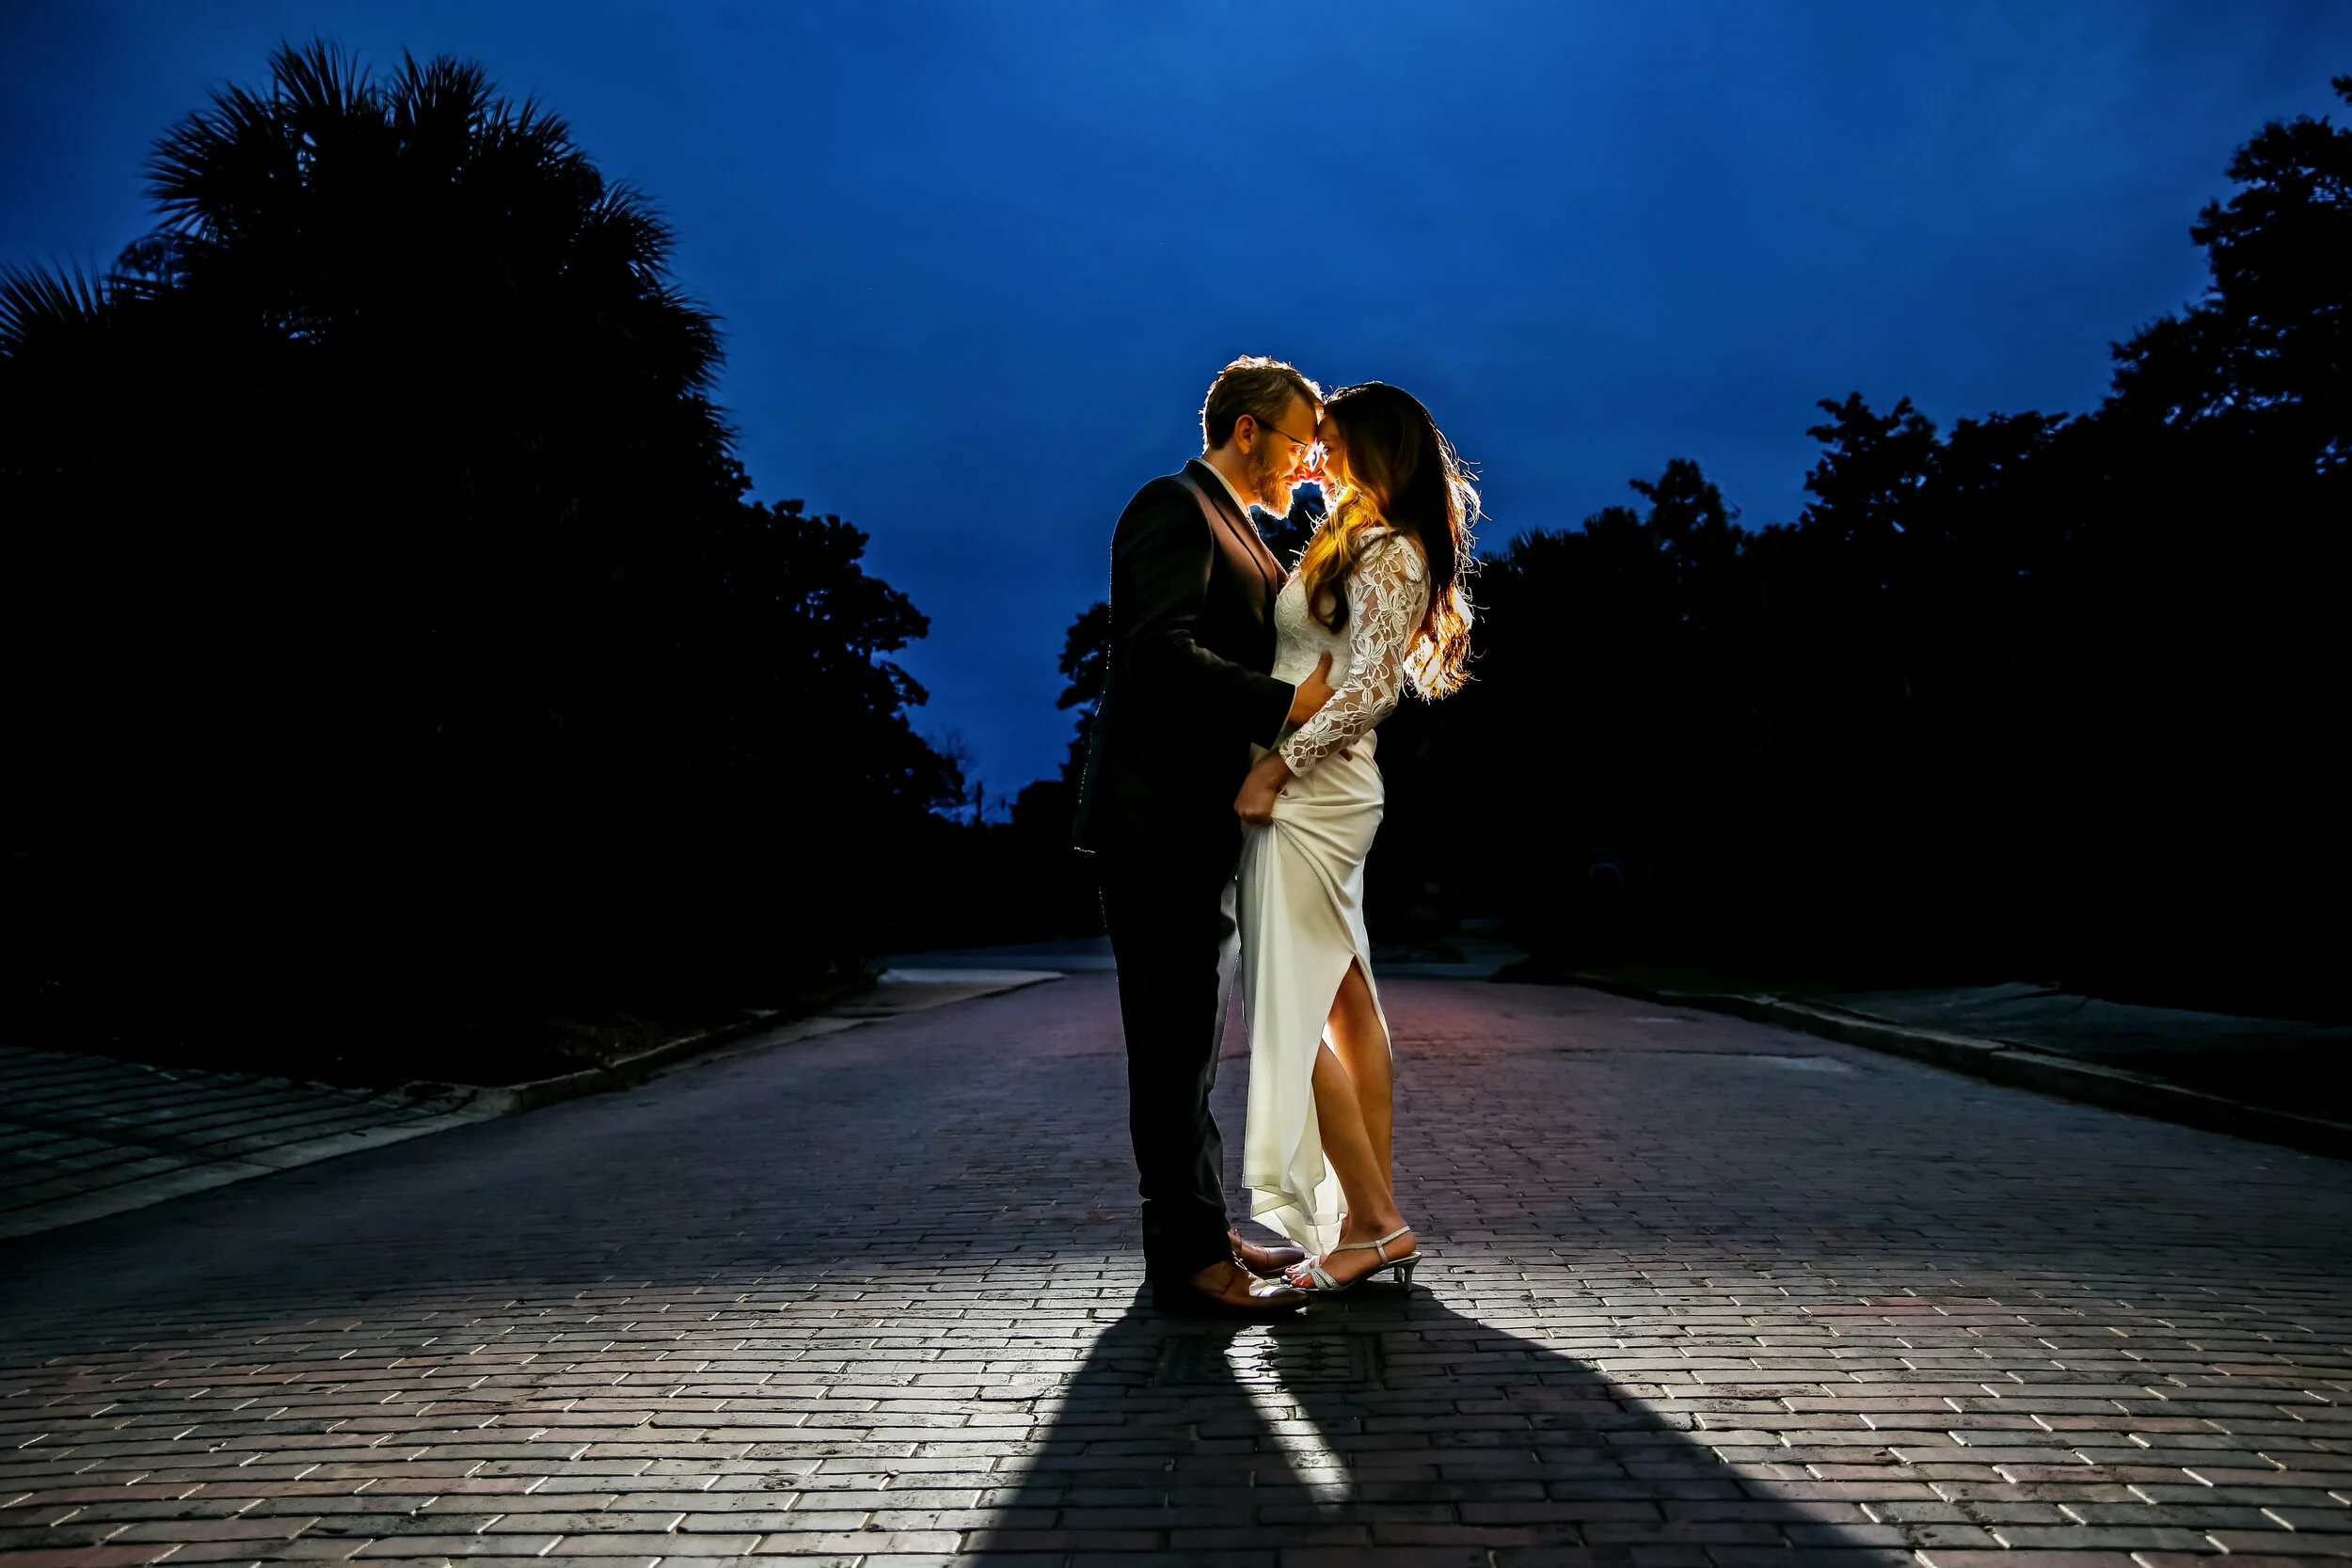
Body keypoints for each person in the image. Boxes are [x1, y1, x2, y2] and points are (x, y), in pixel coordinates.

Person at [1073, 356, 1341, 1319]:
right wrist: (1285, 703)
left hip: (1201, 827)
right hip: (1159, 824)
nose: (1306, 463)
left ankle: (1200, 1228)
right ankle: (1188, 1263)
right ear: (1245, 430)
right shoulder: (1173, 507)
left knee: (1190, 1045)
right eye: (1298, 442)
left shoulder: (1241, 530)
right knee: (1171, 1041)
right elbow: (1156, 651)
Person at [1233, 381, 1477, 1295]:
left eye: (1330, 443)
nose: (1316, 456)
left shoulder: (1395, 548)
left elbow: (1372, 687)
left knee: (1288, 1011)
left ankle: (1375, 1223)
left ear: (1375, 448)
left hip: (1315, 791)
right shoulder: (1352, 532)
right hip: (1317, 786)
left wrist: (1276, 767)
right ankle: (1366, 1223)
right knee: (1342, 1001)